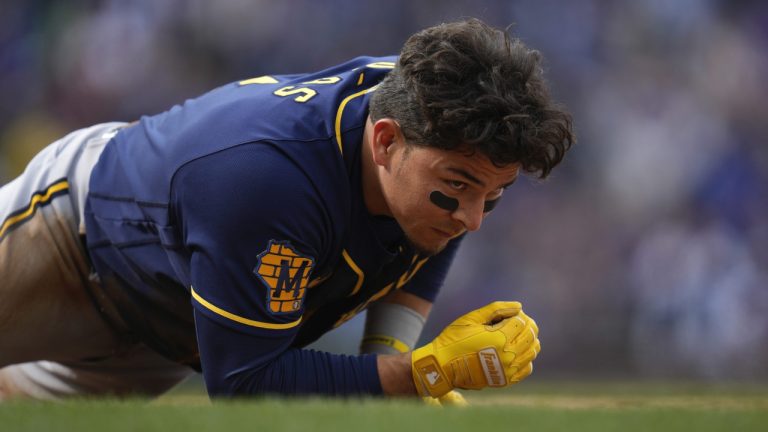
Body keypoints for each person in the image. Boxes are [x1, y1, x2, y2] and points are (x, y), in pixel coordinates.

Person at [0, 18, 573, 401]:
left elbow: (432, 230)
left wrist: (389, 354)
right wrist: (422, 373)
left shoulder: (432, 124)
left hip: (176, 316)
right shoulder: (270, 182)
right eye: (459, 187)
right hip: (75, 232)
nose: (472, 219)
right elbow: (245, 382)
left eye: (493, 196)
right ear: (384, 142)